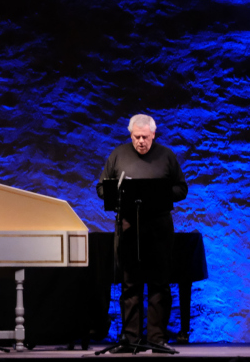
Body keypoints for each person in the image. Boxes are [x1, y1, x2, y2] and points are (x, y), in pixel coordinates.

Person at [96, 114, 188, 354]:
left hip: (159, 230)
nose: (140, 142)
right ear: (130, 135)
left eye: (145, 137)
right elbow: (101, 187)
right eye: (136, 137)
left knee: (159, 284)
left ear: (153, 135)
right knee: (130, 285)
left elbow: (181, 188)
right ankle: (130, 338)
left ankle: (157, 339)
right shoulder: (118, 154)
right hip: (128, 229)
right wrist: (114, 195)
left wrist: (161, 193)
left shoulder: (166, 155)